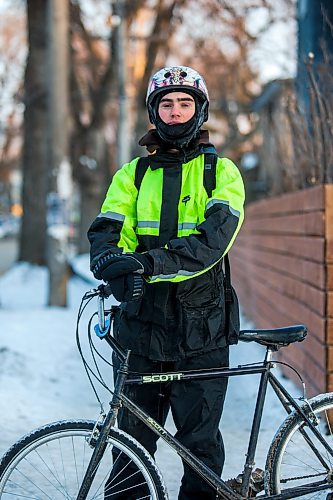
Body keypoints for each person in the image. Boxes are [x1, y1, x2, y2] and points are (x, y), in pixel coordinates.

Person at [88, 65, 245, 500]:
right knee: (130, 449)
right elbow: (107, 229)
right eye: (166, 104)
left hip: (202, 333)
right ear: (154, 113)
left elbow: (210, 243)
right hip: (141, 331)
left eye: (185, 103)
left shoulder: (221, 173)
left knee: (199, 450)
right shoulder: (133, 175)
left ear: (200, 111)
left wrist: (145, 265)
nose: (175, 112)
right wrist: (111, 264)